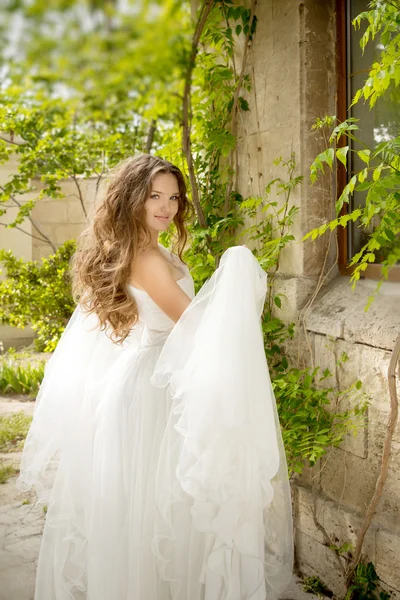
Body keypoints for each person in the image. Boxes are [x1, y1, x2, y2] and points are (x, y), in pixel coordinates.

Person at [17, 154, 293, 600]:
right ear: (132, 199)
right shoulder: (145, 258)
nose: (166, 207)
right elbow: (191, 324)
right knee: (149, 509)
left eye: (173, 197)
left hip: (159, 376)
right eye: (154, 196)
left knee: (157, 509)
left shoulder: (154, 249)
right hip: (151, 389)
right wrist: (236, 285)